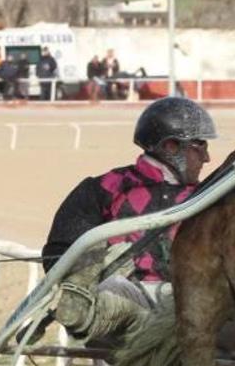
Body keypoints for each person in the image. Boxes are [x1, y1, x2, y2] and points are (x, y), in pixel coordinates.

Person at [35, 97, 216, 344]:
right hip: (128, 300)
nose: (207, 158)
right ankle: (89, 312)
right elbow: (59, 251)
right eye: (200, 146)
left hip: (192, 304)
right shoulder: (103, 189)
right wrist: (86, 271)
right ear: (171, 147)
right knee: (113, 288)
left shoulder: (211, 195)